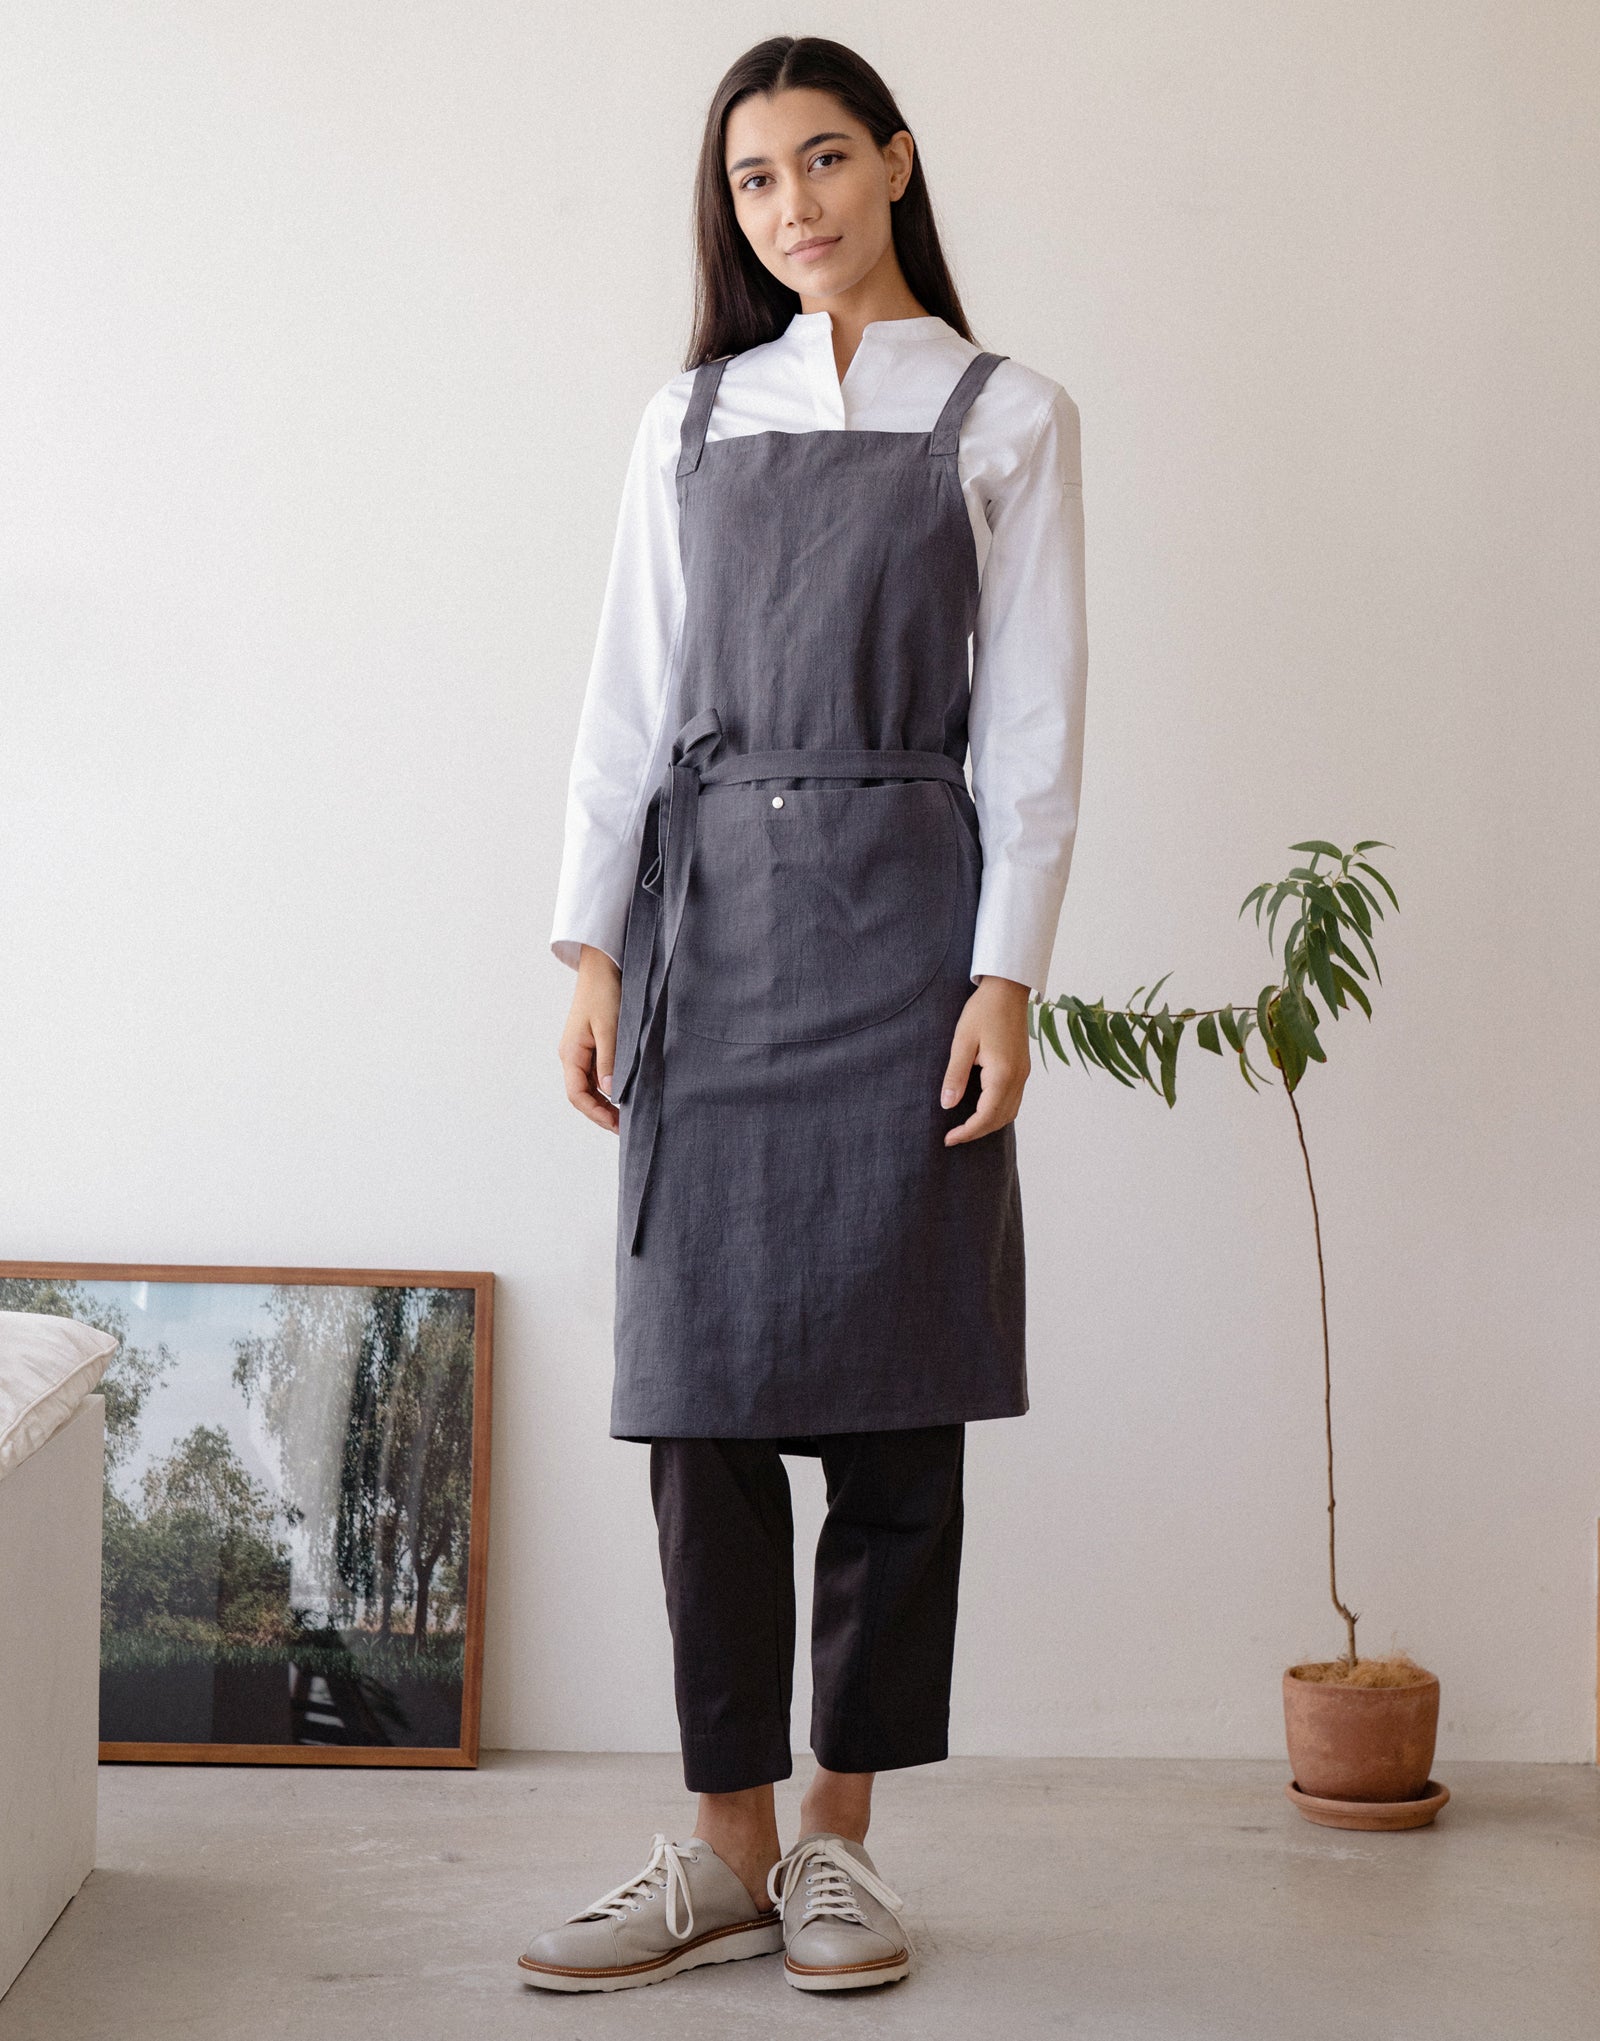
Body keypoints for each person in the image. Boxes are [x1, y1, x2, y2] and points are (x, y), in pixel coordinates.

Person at [522, 33, 1088, 1997]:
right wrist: (592, 952)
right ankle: (724, 1845)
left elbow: (1032, 723)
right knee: (697, 1404)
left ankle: (838, 1840)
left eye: (824, 161)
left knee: (896, 1403)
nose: (793, 207)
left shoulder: (1008, 413)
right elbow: (622, 700)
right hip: (713, 937)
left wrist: (1005, 972)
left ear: (896, 163)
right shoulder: (689, 417)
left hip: (910, 934)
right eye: (755, 180)